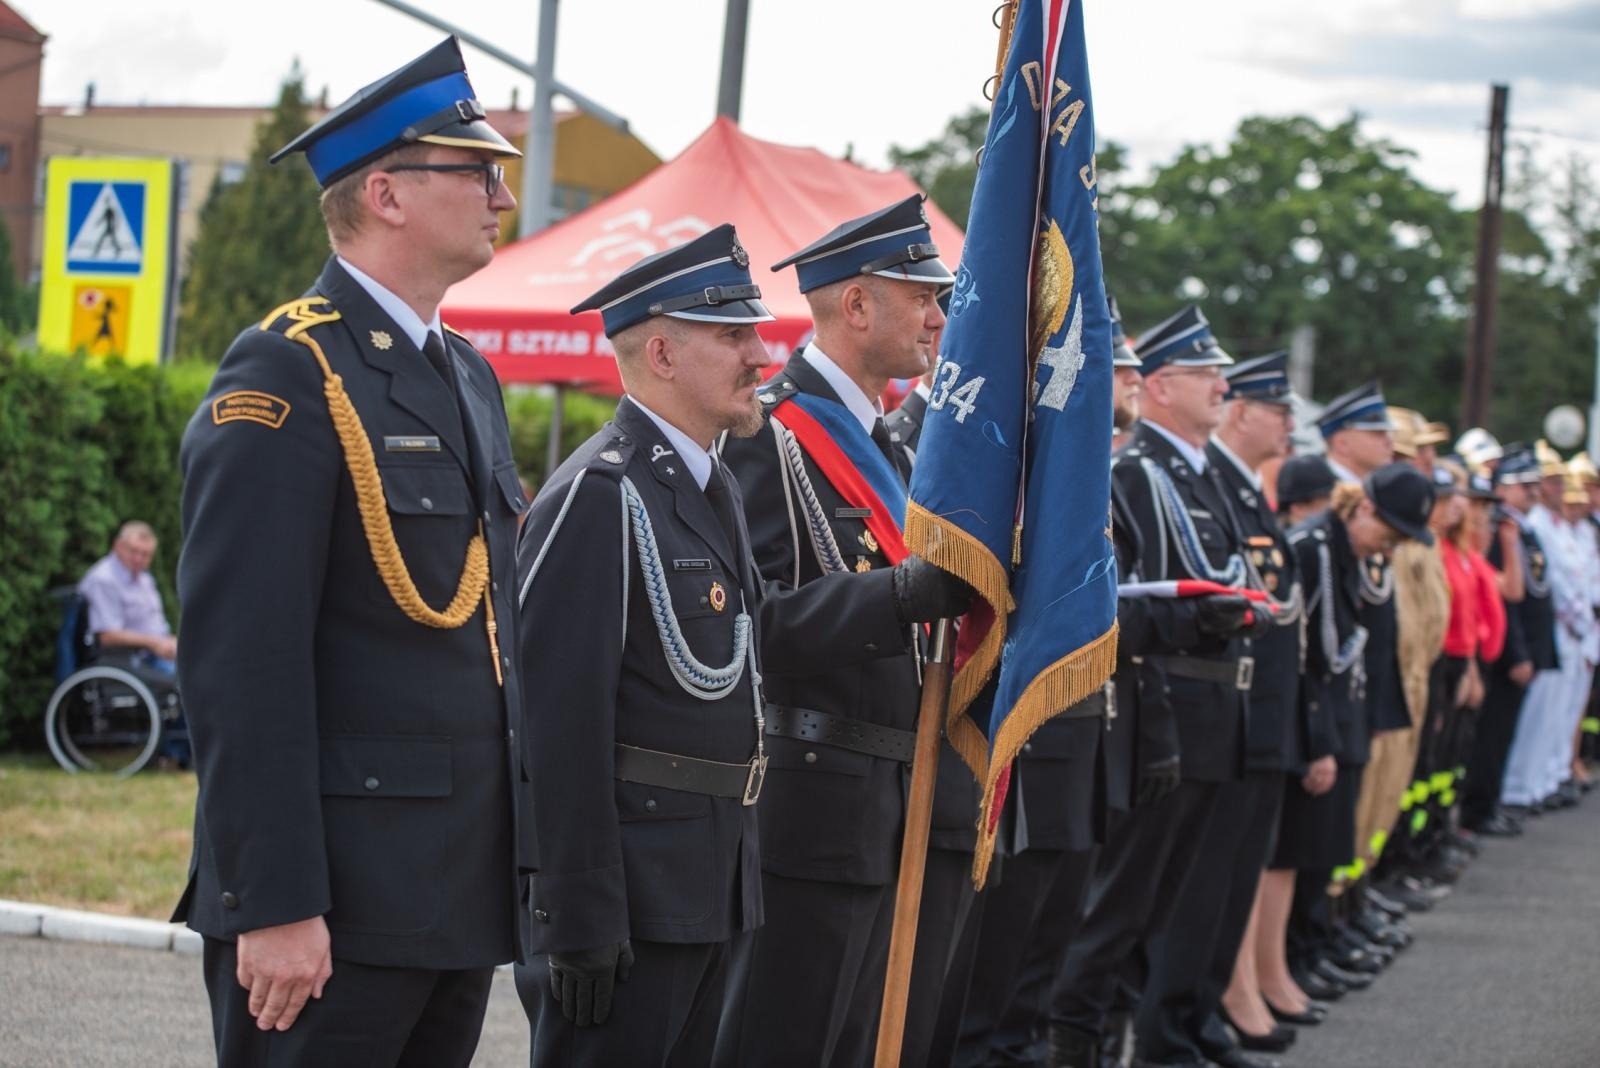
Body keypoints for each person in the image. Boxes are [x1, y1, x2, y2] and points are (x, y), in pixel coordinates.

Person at [174, 38, 529, 1067]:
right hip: (336, 901)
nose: (502, 196)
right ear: (386, 193)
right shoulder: (288, 371)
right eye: (477, 171)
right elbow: (241, 662)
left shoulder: (464, 373)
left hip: (451, 890)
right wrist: (275, 901)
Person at [715, 195, 974, 1067]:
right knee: (786, 1044)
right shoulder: (768, 430)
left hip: (896, 799)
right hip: (813, 802)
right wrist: (901, 595)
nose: (938, 317)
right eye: (922, 296)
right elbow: (754, 625)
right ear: (857, 304)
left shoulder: (894, 446)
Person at [1048, 305, 1267, 1068]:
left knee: (1163, 905)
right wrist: (1198, 617)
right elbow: (1120, 608)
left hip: (1207, 709)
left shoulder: (1199, 475)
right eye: (1208, 375)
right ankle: (1084, 1045)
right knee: (1118, 907)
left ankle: (1138, 1041)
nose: (1224, 388)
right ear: (1165, 387)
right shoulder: (1137, 473)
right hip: (1161, 706)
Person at [948, 295, 1143, 1068]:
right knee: (991, 966)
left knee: (1042, 952)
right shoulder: (1002, 454)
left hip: (1078, 735)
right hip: (1020, 737)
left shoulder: (1079, 466)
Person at [1184, 352, 1305, 1067]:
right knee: (1204, 882)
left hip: (1256, 710)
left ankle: (1204, 1014)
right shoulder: (1218, 482)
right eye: (1277, 410)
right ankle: (1190, 1019)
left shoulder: (1243, 488)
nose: (1289, 424)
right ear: (1241, 414)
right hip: (1227, 706)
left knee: (1231, 878)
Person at [1279, 465, 1435, 1007]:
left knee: (1328, 847)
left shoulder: (1348, 550)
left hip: (1345, 716)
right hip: (1317, 722)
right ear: (1364, 508)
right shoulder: (1314, 547)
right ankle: (1299, 954)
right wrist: (1319, 740)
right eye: (1389, 534)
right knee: (1303, 853)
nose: (1389, 549)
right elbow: (1308, 657)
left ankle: (1314, 945)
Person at [1463, 449, 1555, 831]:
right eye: (1523, 485)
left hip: (1520, 647)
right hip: (1502, 653)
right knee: (1490, 736)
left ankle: (1490, 803)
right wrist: (1517, 654)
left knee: (1504, 735)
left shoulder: (1520, 528)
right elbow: (1506, 603)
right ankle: (1478, 810)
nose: (1533, 491)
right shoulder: (1501, 530)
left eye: (1535, 484)